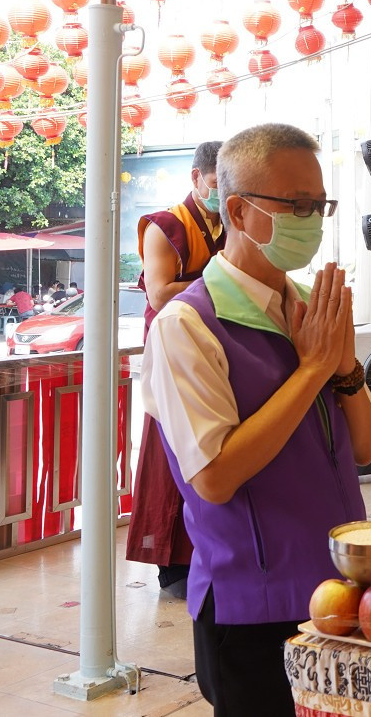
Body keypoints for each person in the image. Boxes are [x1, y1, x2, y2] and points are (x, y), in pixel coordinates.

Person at [140, 123, 371, 716]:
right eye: (296, 205)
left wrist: (344, 369)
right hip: (254, 605)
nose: (312, 220)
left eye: (319, 205)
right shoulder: (188, 325)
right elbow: (215, 477)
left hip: (340, 592)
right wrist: (311, 370)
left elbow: (368, 448)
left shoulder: (305, 305)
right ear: (238, 211)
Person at [127, 141, 227, 597]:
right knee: (171, 452)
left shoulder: (228, 224)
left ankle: (211, 550)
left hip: (216, 350)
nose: (221, 194)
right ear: (195, 177)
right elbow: (159, 294)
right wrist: (220, 280)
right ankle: (171, 563)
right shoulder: (165, 225)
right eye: (214, 184)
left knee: (212, 448)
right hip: (171, 349)